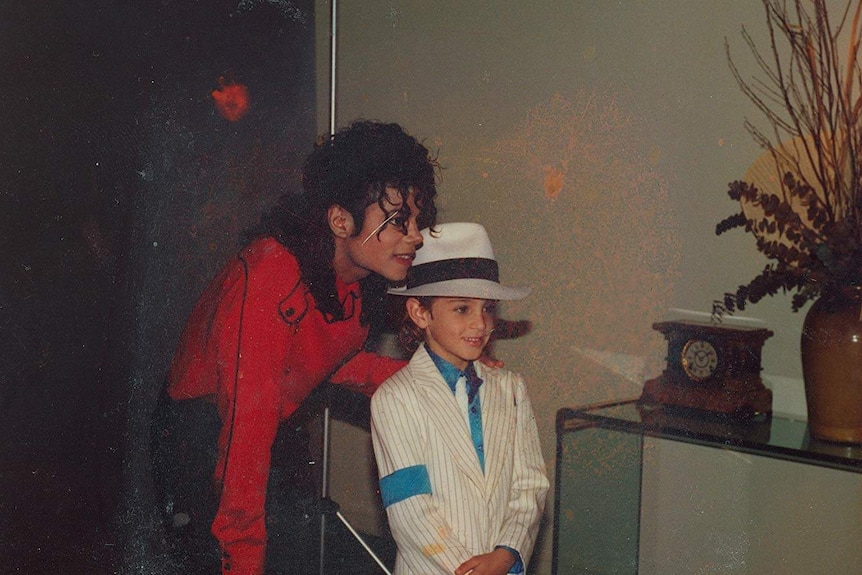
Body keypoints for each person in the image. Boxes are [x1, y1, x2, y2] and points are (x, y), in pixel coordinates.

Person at [153, 120, 441, 575]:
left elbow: (329, 364)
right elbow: (245, 435)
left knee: (293, 544)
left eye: (418, 220)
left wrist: (443, 376)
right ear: (340, 219)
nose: (416, 235)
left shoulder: (352, 276)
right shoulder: (271, 279)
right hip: (203, 433)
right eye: (396, 221)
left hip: (266, 419)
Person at [370, 222, 549, 575]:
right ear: (421, 313)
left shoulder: (510, 389)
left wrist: (507, 553)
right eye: (462, 309)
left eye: (487, 309)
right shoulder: (395, 398)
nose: (480, 324)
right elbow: (410, 510)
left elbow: (530, 485)